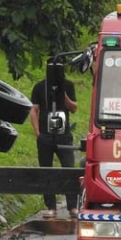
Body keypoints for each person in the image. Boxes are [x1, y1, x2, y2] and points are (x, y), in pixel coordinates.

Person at [30, 73, 79, 219]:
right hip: (45, 134)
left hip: (64, 135)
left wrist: (63, 95)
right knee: (46, 170)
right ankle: (51, 207)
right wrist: (37, 131)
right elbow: (33, 109)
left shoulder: (68, 85)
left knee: (69, 169)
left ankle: (72, 207)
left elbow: (74, 108)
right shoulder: (39, 87)